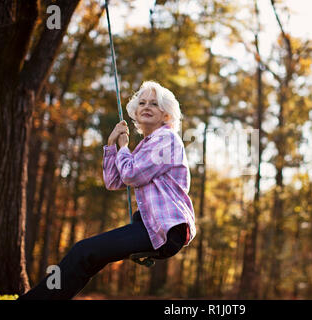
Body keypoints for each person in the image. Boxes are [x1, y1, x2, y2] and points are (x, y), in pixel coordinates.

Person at [18, 81, 196, 300]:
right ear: (135, 112)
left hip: (166, 228)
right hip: (150, 226)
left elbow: (132, 175)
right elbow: (114, 181)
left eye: (155, 104)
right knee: (88, 255)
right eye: (142, 103)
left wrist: (123, 148)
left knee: (84, 251)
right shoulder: (148, 144)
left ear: (167, 115)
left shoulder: (167, 139)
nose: (146, 107)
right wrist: (112, 145)